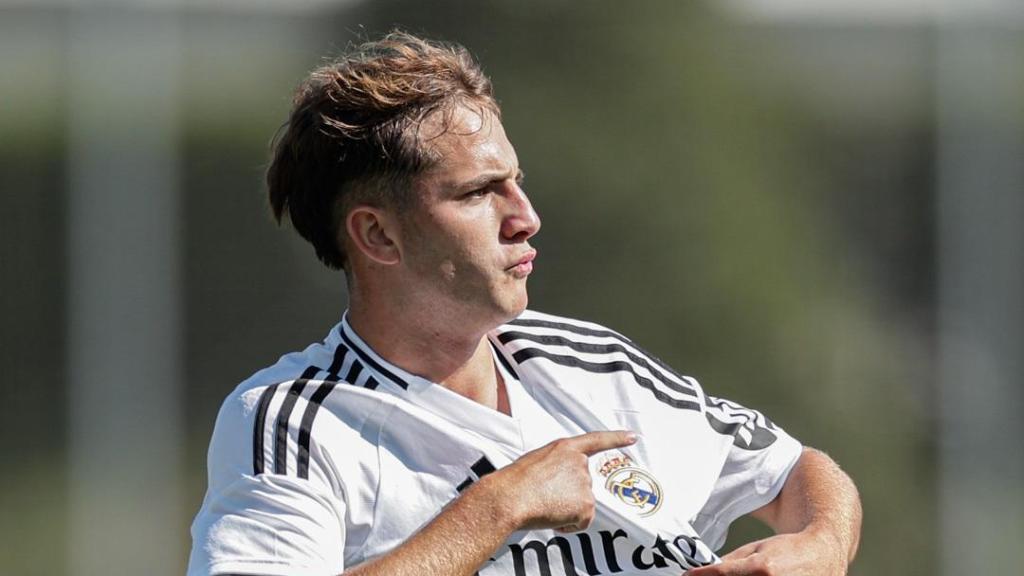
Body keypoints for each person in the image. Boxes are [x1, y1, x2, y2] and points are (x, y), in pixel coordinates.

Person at [187, 32, 861, 576]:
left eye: (517, 182)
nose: (526, 217)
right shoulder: (294, 422)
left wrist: (822, 544)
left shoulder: (592, 365)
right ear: (378, 235)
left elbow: (798, 470)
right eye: (480, 192)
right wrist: (499, 505)